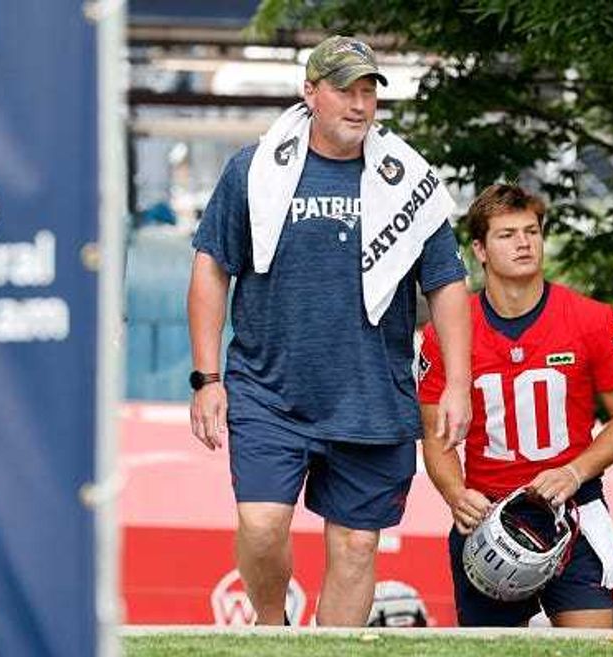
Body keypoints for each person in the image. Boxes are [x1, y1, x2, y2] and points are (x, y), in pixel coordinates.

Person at [187, 35, 471, 626]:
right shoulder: (254, 170)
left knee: (357, 546)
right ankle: (272, 632)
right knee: (262, 526)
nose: (360, 104)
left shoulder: (409, 182)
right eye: (345, 90)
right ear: (310, 92)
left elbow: (447, 283)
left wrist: (458, 383)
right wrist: (207, 378)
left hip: (372, 396)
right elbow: (212, 268)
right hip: (268, 391)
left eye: (368, 91)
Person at [418, 183, 613, 627]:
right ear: (480, 250)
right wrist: (455, 493)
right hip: (488, 515)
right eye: (507, 235)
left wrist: (575, 472)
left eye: (531, 231)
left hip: (572, 508)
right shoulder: (446, 333)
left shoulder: (592, 319)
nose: (523, 243)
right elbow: (436, 436)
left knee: (592, 650)